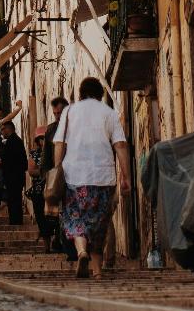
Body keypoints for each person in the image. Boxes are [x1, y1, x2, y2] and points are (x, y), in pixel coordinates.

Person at [54, 78, 131, 279]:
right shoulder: (109, 113)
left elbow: (59, 143)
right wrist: (126, 176)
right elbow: (121, 145)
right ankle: (97, 270)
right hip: (103, 177)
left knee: (75, 217)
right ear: (100, 94)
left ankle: (81, 252)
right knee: (99, 224)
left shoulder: (69, 112)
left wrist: (56, 169)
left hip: (74, 176)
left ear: (80, 93)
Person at [41, 96, 69, 254]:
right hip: (57, 176)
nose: (58, 116)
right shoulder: (51, 129)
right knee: (57, 211)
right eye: (55, 113)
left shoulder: (76, 127)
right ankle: (59, 240)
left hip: (74, 174)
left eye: (60, 113)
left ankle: (68, 243)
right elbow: (46, 155)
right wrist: (46, 176)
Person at [0, 120, 28, 225]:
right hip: (17, 177)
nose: (1, 132)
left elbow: (9, 160)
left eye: (3, 129)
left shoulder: (12, 141)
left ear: (8, 129)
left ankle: (15, 222)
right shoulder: (16, 141)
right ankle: (16, 221)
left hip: (13, 177)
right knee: (15, 200)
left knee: (14, 201)